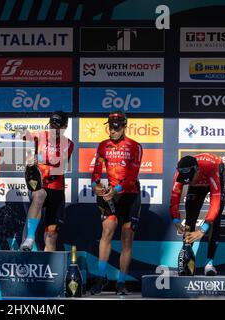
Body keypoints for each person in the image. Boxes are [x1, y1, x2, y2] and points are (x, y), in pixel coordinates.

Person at [90, 111, 142, 295]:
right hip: (110, 194)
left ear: (124, 126)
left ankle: (121, 283)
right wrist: (96, 185)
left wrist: (116, 190)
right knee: (107, 233)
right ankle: (100, 278)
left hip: (130, 196)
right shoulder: (103, 145)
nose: (112, 130)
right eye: (110, 126)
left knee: (126, 240)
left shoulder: (135, 146)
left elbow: (132, 177)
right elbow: (96, 171)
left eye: (116, 126)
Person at [18, 111, 74, 252]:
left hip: (56, 189)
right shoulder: (41, 135)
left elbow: (58, 161)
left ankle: (48, 268)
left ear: (65, 126)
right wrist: (22, 132)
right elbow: (25, 136)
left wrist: (40, 159)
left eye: (58, 126)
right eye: (52, 125)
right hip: (40, 184)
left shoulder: (68, 144)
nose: (54, 129)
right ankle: (29, 239)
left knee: (51, 235)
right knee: (39, 195)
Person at [170, 154, 225, 276]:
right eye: (186, 179)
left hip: (214, 171)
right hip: (199, 181)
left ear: (197, 170)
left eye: (190, 178)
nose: (188, 182)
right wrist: (175, 220)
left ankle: (209, 263)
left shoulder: (211, 168)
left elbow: (215, 203)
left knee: (215, 219)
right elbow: (174, 198)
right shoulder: (180, 174)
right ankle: (187, 261)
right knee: (190, 218)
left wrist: (203, 230)